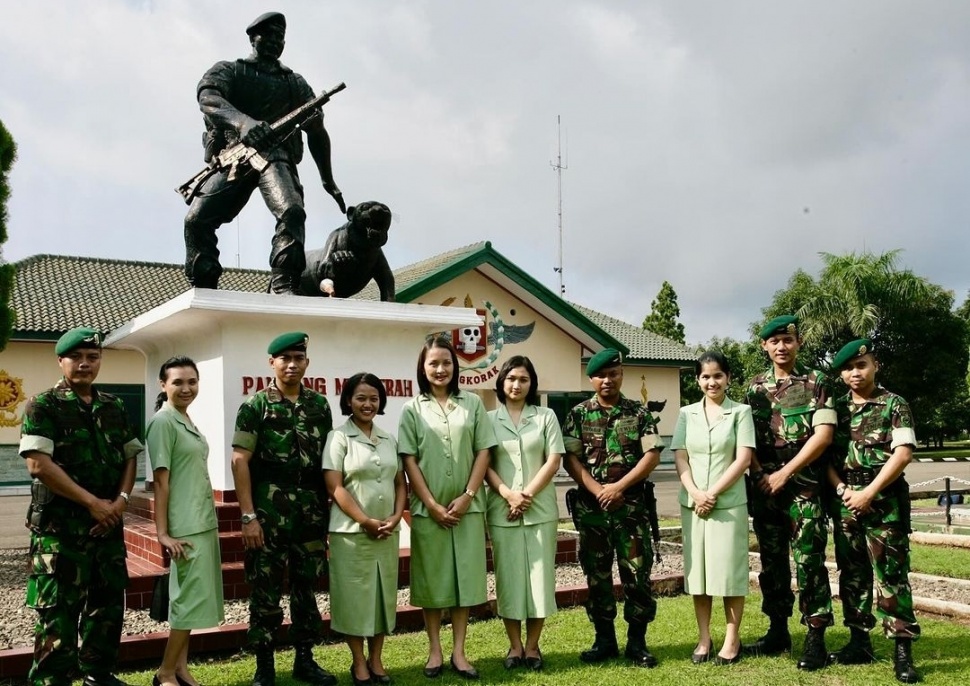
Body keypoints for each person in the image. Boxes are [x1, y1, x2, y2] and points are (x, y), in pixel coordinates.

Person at [183, 11, 346, 294]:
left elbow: (317, 132)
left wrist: (327, 179)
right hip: (236, 154)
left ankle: (284, 283)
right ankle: (204, 284)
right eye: (267, 35)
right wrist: (243, 122)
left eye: (279, 37)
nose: (274, 41)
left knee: (292, 211)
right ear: (252, 37)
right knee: (196, 220)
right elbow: (208, 97)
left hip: (275, 155)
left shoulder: (294, 83)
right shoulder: (230, 70)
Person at [20, 327, 142, 686]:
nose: (85, 364)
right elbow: (38, 465)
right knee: (56, 616)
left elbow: (130, 454)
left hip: (106, 529)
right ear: (61, 361)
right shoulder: (42, 405)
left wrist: (119, 502)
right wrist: (93, 504)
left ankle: (98, 676)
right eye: (77, 357)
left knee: (106, 610)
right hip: (61, 534)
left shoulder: (113, 405)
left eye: (93, 357)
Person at [230, 332, 336, 686]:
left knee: (307, 587)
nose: (291, 364)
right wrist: (248, 517)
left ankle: (304, 659)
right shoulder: (255, 406)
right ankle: (265, 665)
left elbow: (328, 462)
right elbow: (239, 461)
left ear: (307, 362)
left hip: (310, 510)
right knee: (266, 589)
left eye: (298, 358)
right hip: (268, 513)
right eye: (284, 358)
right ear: (271, 362)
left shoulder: (319, 406)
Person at [397, 336, 497, 680]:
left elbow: (484, 450)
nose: (440, 369)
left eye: (446, 363)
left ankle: (459, 651)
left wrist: (469, 494)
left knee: (464, 581)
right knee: (433, 581)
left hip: (467, 510)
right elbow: (408, 459)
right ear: (422, 369)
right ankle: (434, 651)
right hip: (429, 512)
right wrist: (430, 504)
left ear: (456, 367)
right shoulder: (412, 409)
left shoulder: (472, 404)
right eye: (433, 364)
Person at [743, 315, 836, 670]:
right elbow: (745, 438)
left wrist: (785, 473)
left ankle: (815, 637)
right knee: (772, 563)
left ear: (798, 344)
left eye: (788, 340)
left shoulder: (816, 382)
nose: (781, 347)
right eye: (774, 341)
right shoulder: (753, 388)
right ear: (764, 347)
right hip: (766, 488)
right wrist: (760, 473)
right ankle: (777, 630)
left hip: (803, 488)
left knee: (809, 561)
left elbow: (823, 436)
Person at [825, 339, 920, 683]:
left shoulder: (895, 404)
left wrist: (869, 492)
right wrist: (843, 490)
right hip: (847, 499)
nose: (854, 373)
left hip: (885, 501)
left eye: (861, 365)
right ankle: (859, 642)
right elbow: (826, 457)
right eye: (848, 368)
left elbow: (903, 453)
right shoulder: (835, 409)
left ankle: (902, 650)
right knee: (853, 575)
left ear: (874, 364)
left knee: (892, 576)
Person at [562, 348, 663, 669]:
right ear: (591, 378)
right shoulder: (578, 414)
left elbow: (652, 456)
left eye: (613, 374)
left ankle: (637, 643)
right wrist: (598, 491)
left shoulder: (639, 413)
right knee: (597, 577)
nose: (607, 380)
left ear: (622, 375)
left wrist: (618, 488)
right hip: (592, 514)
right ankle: (604, 640)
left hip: (631, 512)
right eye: (601, 375)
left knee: (637, 576)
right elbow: (571, 459)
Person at [672, 350, 755, 665]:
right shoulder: (686, 413)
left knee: (730, 573)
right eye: (705, 376)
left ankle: (732, 640)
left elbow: (743, 458)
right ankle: (704, 638)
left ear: (728, 378)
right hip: (693, 505)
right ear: (697, 380)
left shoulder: (740, 412)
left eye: (718, 375)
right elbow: (680, 455)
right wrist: (695, 492)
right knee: (701, 574)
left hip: (728, 504)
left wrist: (713, 493)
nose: (712, 382)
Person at [323, 373, 406, 686]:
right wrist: (365, 520)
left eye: (373, 398)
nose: (367, 404)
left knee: (382, 597)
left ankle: (377, 660)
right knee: (355, 599)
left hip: (386, 531)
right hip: (352, 534)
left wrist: (397, 515)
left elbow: (400, 482)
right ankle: (358, 663)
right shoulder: (339, 438)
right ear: (348, 401)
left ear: (381, 401)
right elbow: (335, 486)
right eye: (360, 398)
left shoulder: (389, 439)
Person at [146, 357, 224, 686]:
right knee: (186, 599)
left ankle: (180, 668)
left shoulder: (184, 419)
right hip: (185, 525)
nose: (186, 388)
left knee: (191, 599)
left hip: (202, 520)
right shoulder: (164, 422)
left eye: (192, 381)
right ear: (163, 385)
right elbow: (161, 481)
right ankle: (165, 671)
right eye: (178, 382)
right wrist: (162, 533)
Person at [484, 356, 564, 672]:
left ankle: (532, 647)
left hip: (539, 509)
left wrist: (526, 494)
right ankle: (514, 646)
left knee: (539, 579)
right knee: (509, 579)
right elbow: (484, 463)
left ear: (532, 384)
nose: (517, 385)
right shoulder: (488, 419)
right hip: (502, 510)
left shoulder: (545, 416)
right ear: (501, 382)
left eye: (523, 379)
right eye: (511, 378)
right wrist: (508, 494)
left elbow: (553, 459)